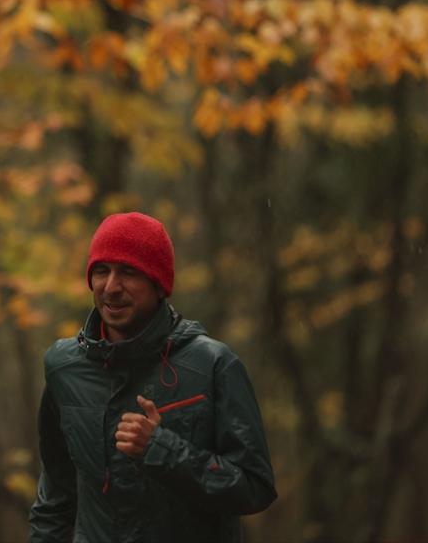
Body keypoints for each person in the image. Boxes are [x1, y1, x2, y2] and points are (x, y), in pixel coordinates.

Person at [28, 212, 276, 543]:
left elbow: (254, 487)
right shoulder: (64, 367)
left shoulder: (214, 365)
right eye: (101, 271)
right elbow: (56, 499)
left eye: (128, 272)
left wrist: (163, 450)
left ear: (159, 285)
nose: (111, 287)